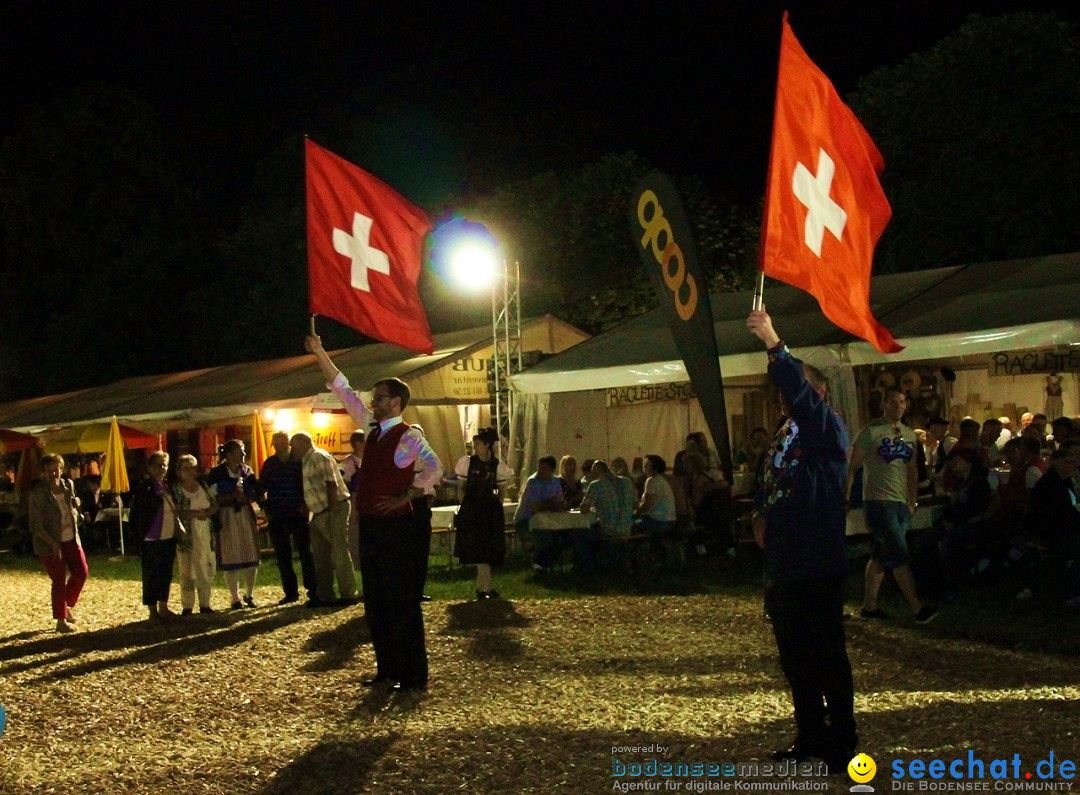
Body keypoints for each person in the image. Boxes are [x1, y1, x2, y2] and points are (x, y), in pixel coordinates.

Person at [747, 304, 856, 771]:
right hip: (786, 561)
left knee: (826, 652)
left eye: (798, 391)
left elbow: (803, 398)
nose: (787, 399)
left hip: (817, 559)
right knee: (794, 656)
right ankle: (810, 733)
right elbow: (768, 482)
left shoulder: (825, 428)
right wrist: (759, 514)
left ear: (820, 393)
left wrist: (775, 344)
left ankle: (842, 739)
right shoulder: (783, 435)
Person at [306, 333, 443, 692]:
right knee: (378, 600)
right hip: (372, 525)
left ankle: (413, 673)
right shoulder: (372, 429)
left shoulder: (409, 437)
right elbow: (343, 388)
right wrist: (321, 351)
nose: (372, 401)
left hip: (396, 528)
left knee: (401, 599)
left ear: (395, 402)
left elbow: (435, 470)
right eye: (373, 398)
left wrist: (406, 496)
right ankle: (388, 670)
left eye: (379, 398)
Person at [849, 386, 936, 624]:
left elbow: (911, 469)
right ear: (884, 404)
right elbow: (853, 466)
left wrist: (912, 499)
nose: (898, 406)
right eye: (894, 402)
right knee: (899, 554)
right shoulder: (870, 432)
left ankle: (869, 606)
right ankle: (917, 608)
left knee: (881, 553)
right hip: (878, 501)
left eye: (902, 402)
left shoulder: (909, 436)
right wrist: (846, 496)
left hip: (899, 502)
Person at [289, 431, 358, 607]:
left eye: (293, 445)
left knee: (339, 552)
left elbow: (331, 483)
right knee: (320, 556)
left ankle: (348, 594)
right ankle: (325, 595)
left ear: (304, 443)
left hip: (333, 510)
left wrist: (331, 511)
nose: (292, 450)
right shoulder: (305, 461)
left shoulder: (319, 456)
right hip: (318, 512)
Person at [28, 453, 88, 633]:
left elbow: (70, 507)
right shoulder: (38, 494)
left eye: (58, 469)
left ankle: (66, 605)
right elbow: (36, 524)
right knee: (59, 580)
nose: (55, 473)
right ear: (43, 473)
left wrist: (77, 507)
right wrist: (52, 543)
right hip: (48, 542)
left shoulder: (68, 485)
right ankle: (61, 620)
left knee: (82, 571)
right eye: (50, 470)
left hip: (70, 537)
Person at [453, 427, 513, 598]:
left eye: (478, 444)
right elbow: (461, 488)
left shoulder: (497, 466)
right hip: (472, 509)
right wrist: (465, 504)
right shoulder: (468, 463)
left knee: (486, 548)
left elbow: (502, 490)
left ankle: (484, 587)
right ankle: (485, 587)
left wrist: (497, 506)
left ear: (487, 445)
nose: (475, 447)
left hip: (489, 509)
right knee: (479, 547)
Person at [260, 432, 316, 606]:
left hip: (297, 513)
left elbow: (307, 484)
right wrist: (266, 508)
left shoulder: (298, 462)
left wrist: (305, 505)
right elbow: (261, 487)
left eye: (283, 442)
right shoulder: (269, 464)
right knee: (283, 556)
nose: (280, 446)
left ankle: (313, 590)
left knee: (306, 553)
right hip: (277, 514)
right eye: (276, 443)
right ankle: (290, 592)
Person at [207, 440, 261, 610]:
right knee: (231, 554)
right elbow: (211, 497)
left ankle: (249, 594)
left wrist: (250, 496)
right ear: (229, 454)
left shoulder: (247, 472)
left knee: (250, 553)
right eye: (240, 451)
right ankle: (235, 598)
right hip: (227, 516)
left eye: (243, 450)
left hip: (245, 514)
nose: (243, 454)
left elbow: (254, 492)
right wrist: (231, 496)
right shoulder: (217, 474)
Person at [130, 451, 180, 622]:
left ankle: (163, 606)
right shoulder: (145, 488)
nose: (162, 468)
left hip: (168, 534)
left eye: (164, 464)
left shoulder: (168, 486)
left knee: (166, 572)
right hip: (151, 537)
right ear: (150, 467)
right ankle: (152, 610)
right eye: (158, 465)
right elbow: (138, 513)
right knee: (151, 574)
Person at [171, 454, 218, 614]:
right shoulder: (176, 490)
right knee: (187, 569)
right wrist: (190, 515)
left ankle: (205, 603)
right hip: (188, 532)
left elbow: (215, 504)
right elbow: (175, 511)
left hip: (204, 530)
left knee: (205, 565)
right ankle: (188, 605)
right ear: (179, 471)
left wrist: (207, 512)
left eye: (193, 468)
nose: (190, 472)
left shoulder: (203, 486)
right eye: (186, 468)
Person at [579, 459, 635, 570]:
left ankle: (589, 566)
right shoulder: (626, 481)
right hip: (627, 527)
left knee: (581, 534)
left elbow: (584, 509)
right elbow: (635, 503)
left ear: (595, 473)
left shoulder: (596, 485)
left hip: (609, 528)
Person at [514, 455, 566, 571]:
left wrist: (548, 504)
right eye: (539, 468)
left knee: (561, 536)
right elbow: (536, 508)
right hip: (525, 520)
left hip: (547, 520)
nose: (540, 471)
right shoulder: (533, 482)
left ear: (552, 470)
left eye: (544, 468)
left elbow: (561, 504)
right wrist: (552, 503)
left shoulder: (556, 481)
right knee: (545, 538)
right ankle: (539, 563)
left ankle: (547, 563)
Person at [341, 429, 365, 563]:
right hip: (356, 497)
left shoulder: (370, 459)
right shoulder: (350, 462)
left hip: (369, 497)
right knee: (355, 529)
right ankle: (356, 559)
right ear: (357, 444)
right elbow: (342, 480)